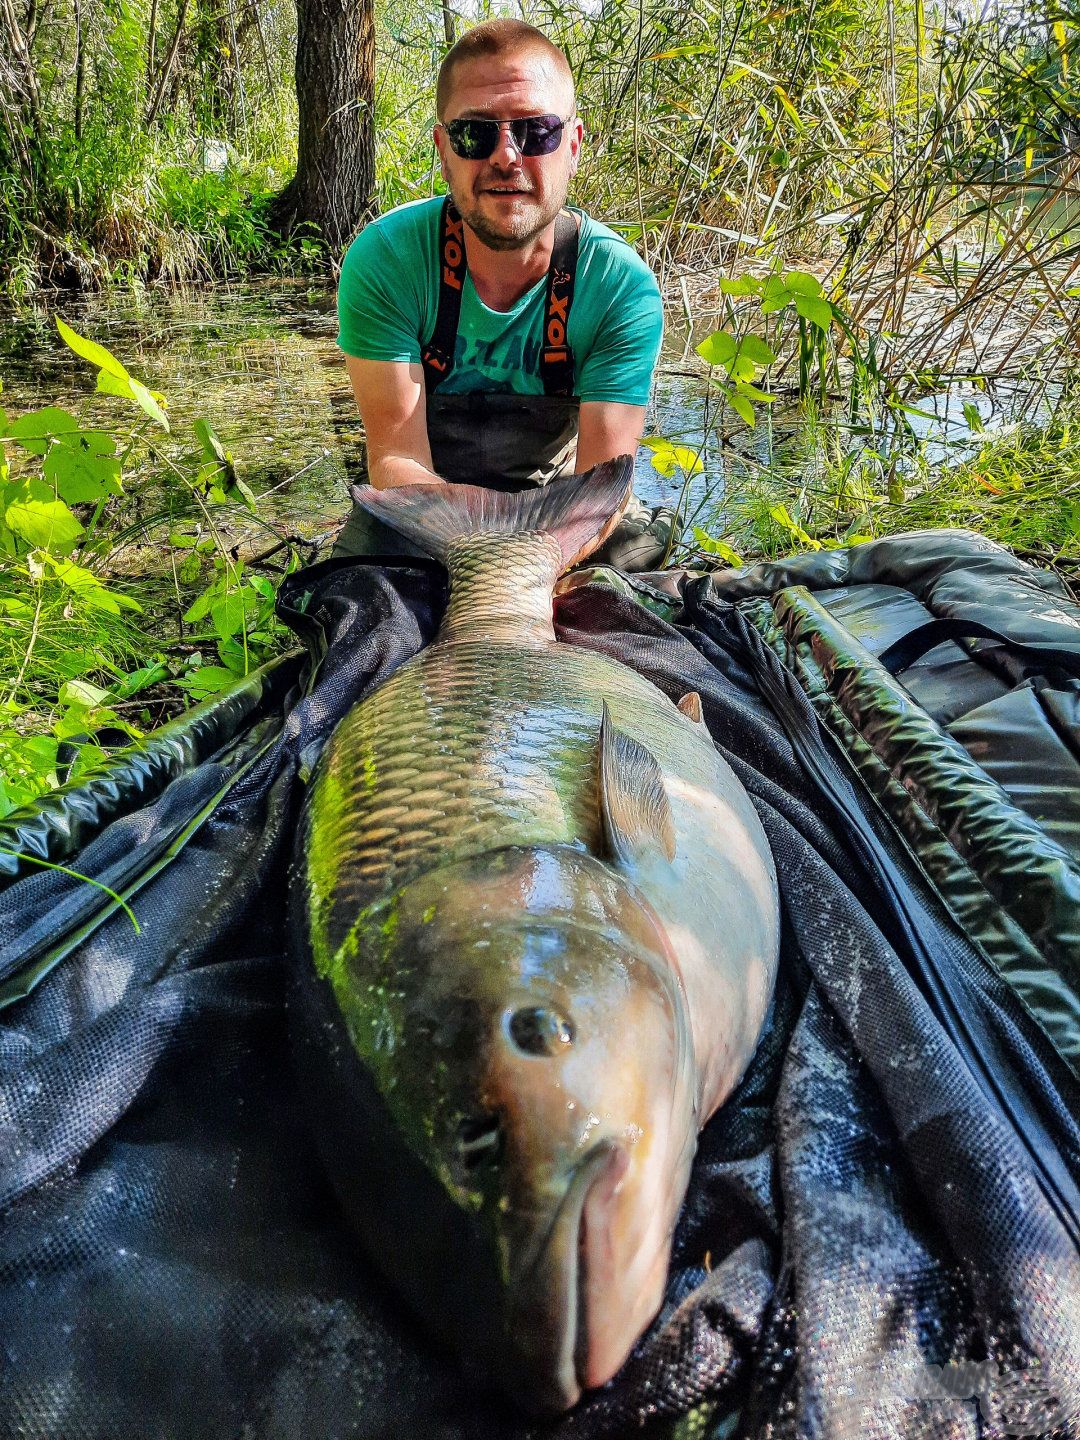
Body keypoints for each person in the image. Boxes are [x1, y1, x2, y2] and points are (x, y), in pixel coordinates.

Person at [333, 18, 672, 567]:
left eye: (536, 131)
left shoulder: (619, 288)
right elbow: (396, 458)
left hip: (560, 517)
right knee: (367, 575)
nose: (506, 157)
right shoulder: (387, 261)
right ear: (444, 148)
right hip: (427, 508)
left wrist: (524, 566)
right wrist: (483, 559)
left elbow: (599, 487)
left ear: (574, 144)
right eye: (476, 133)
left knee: (631, 552)